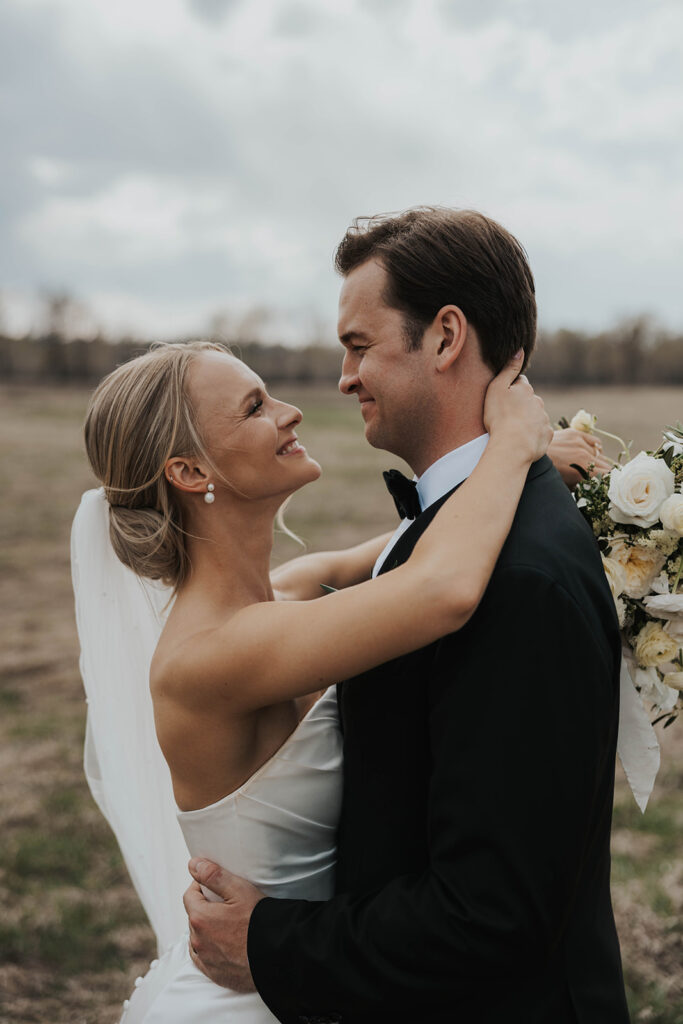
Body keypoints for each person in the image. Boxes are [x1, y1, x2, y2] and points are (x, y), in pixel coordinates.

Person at [183, 209, 631, 1024]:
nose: (343, 378)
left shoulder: (515, 575)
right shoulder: (448, 538)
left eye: (359, 345)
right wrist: (516, 453)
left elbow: (494, 914)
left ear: (445, 336)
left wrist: (271, 940)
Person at [72, 333, 551, 1023]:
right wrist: (511, 443)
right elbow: (441, 587)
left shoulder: (286, 593)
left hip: (317, 967)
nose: (291, 411)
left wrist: (537, 466)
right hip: (252, 999)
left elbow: (408, 548)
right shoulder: (208, 657)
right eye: (255, 407)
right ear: (188, 470)